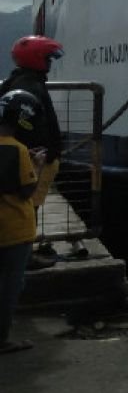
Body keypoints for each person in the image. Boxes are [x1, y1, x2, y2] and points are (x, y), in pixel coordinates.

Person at [0, 90, 42, 355]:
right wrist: (36, 165)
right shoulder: (18, 149)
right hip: (15, 230)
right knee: (10, 287)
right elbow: (27, 190)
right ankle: (2, 339)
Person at [3, 37, 64, 218]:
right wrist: (44, 152)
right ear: (36, 58)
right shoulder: (30, 86)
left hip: (31, 158)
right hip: (36, 160)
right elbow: (26, 125)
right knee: (29, 208)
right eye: (48, 58)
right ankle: (26, 243)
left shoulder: (19, 81)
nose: (50, 63)